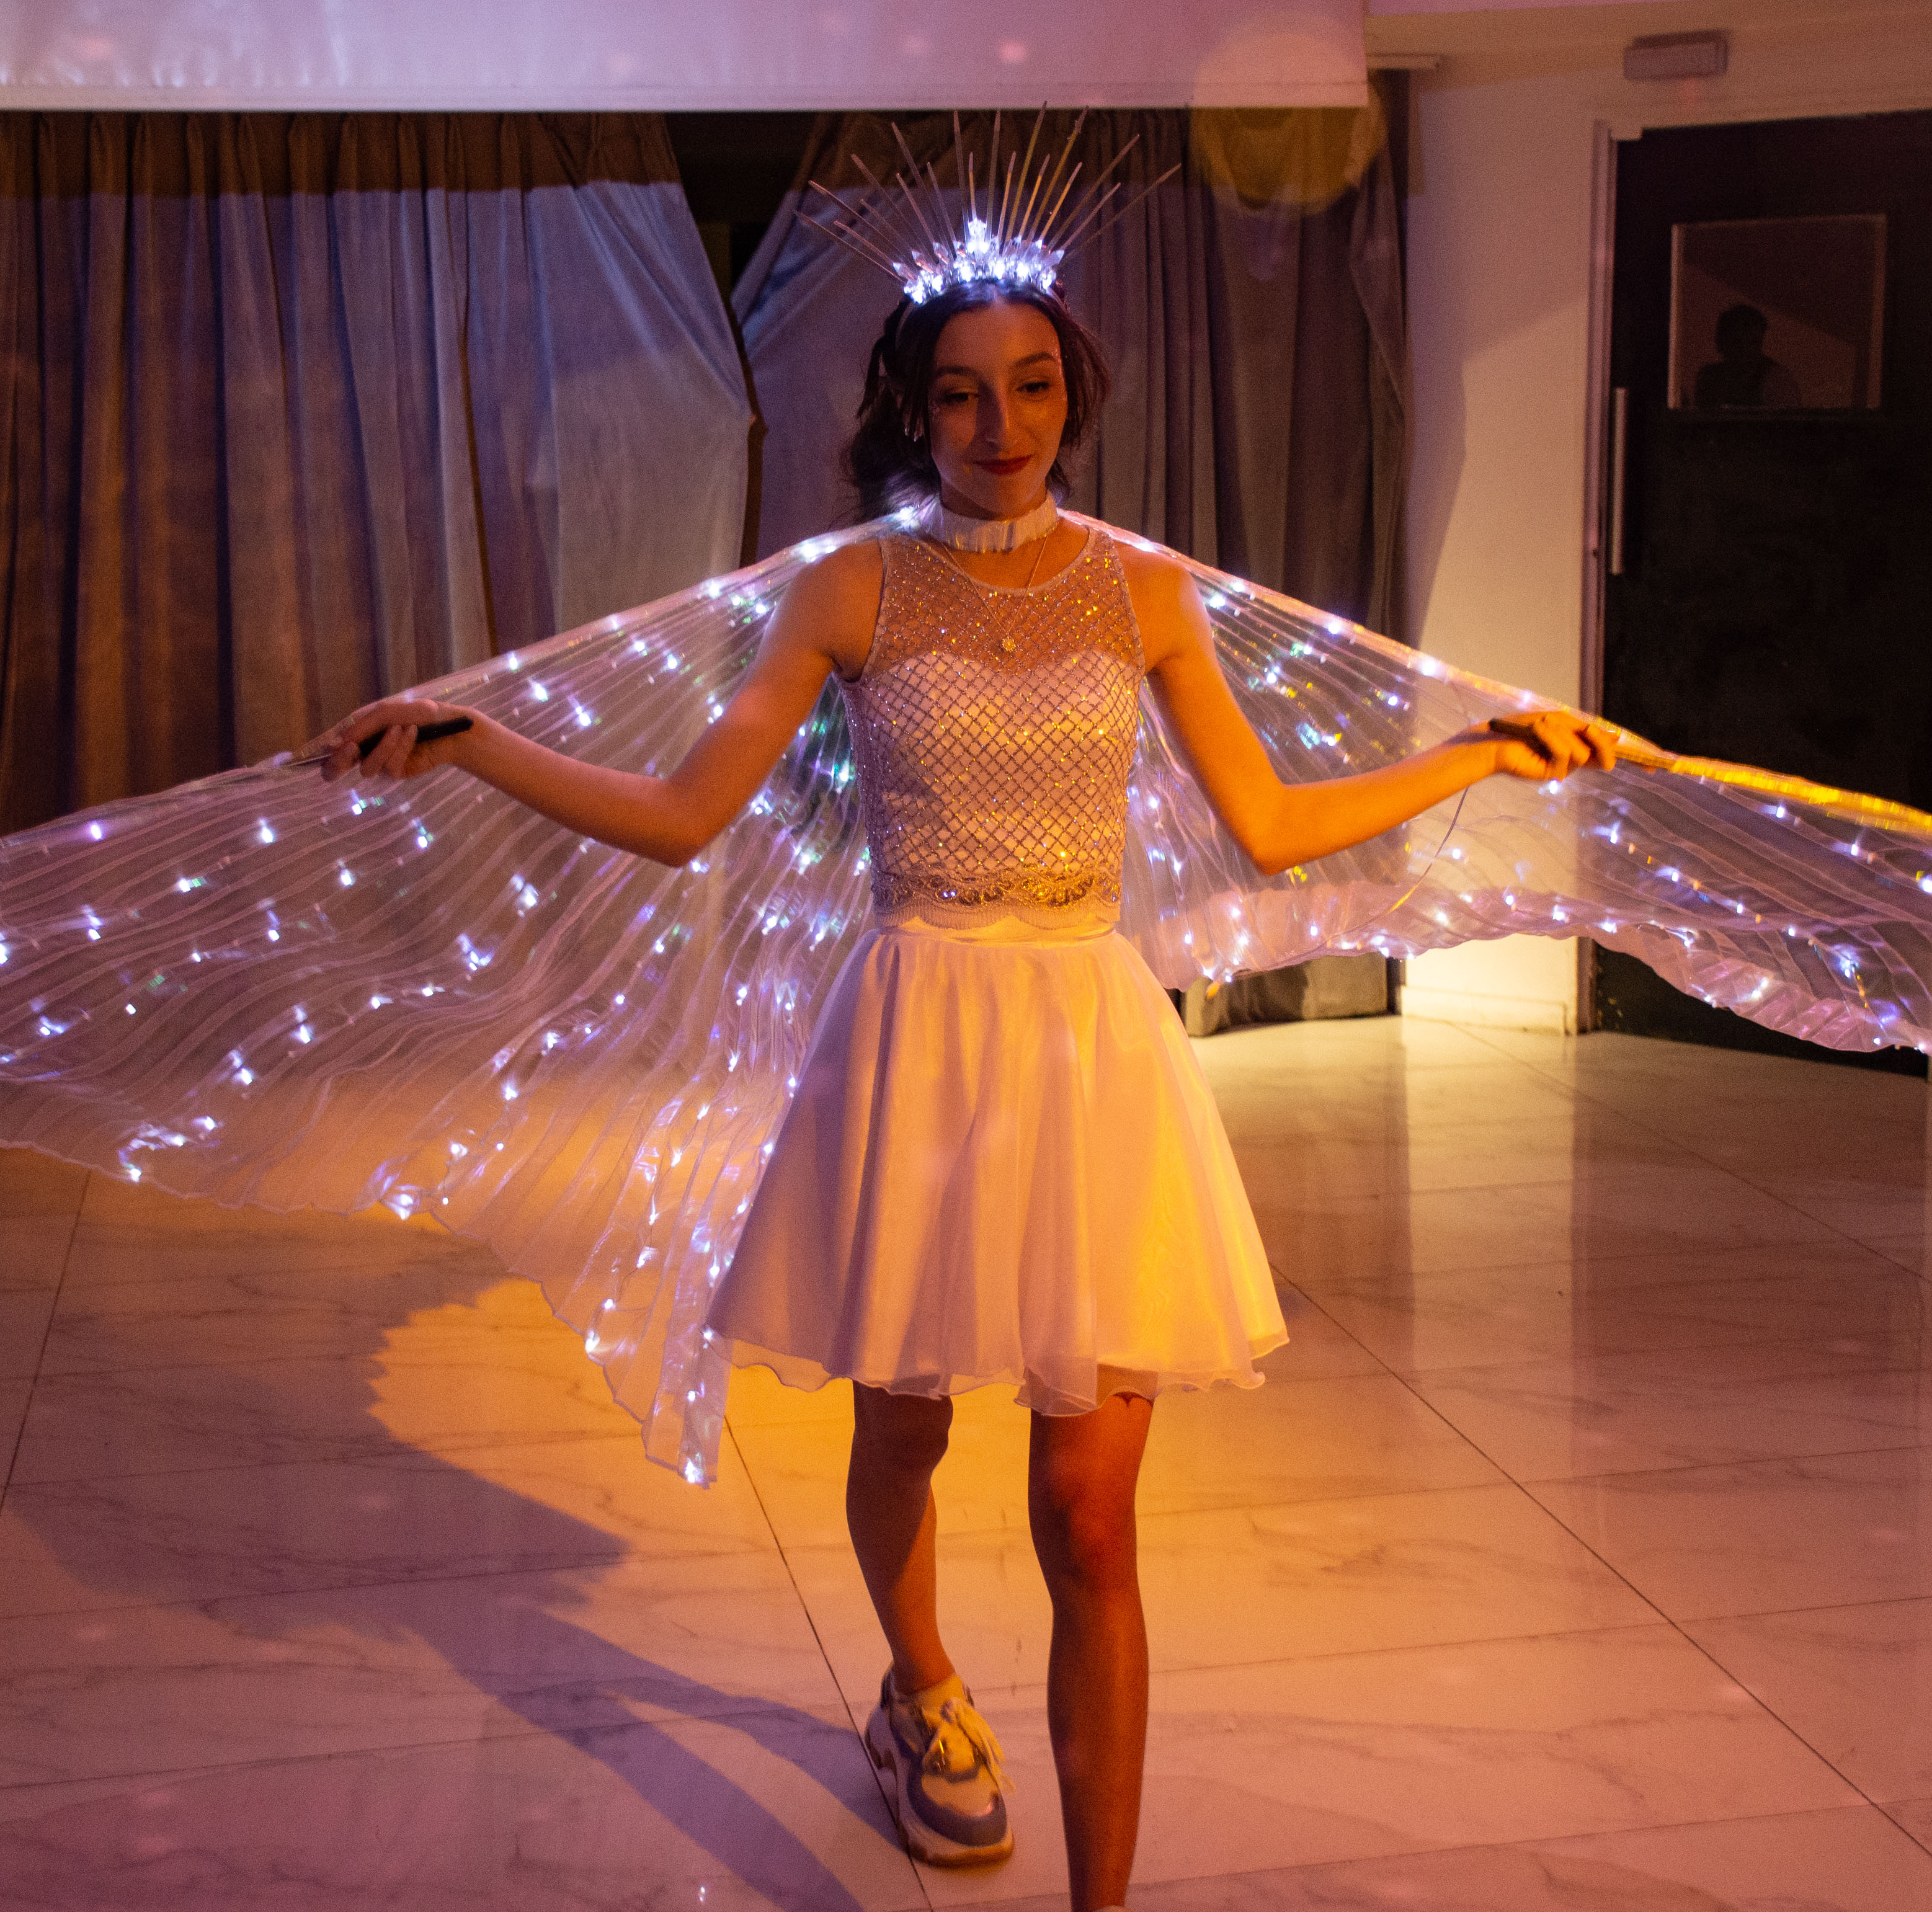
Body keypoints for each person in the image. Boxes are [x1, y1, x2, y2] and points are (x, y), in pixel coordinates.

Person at [311, 273, 1621, 1912]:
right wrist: (473, 743)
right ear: (910, 409)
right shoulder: (851, 588)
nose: (1001, 426)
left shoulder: (1144, 591)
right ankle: (919, 1681)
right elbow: (684, 815)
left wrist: (1482, 750)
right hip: (917, 1037)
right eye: (959, 391)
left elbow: (1274, 824)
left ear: (1074, 401)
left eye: (1033, 386)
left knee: (1092, 1515)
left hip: (1088, 1046)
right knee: (905, 1421)